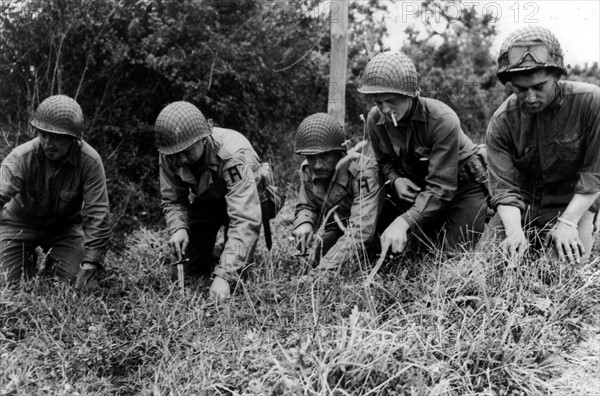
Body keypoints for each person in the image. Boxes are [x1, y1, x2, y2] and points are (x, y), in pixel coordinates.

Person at [484, 25, 600, 265]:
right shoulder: (501, 122)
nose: (531, 98)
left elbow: (594, 175)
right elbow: (504, 189)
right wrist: (514, 233)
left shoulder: (591, 103)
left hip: (572, 203)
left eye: (539, 87)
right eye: (520, 90)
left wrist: (568, 222)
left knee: (562, 277)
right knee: (483, 267)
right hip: (523, 206)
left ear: (557, 75)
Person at [357, 51, 488, 255]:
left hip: (462, 188)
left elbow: (441, 188)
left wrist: (403, 222)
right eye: (378, 101)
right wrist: (396, 180)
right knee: (399, 251)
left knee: (453, 255)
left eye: (390, 100)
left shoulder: (442, 120)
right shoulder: (375, 120)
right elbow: (384, 163)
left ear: (412, 94)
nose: (384, 109)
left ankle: (486, 214)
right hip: (421, 189)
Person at [0, 95, 110, 290]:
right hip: (19, 224)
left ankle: (52, 264)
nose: (48, 143)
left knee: (72, 281)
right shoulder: (19, 157)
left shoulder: (90, 162)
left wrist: (91, 263)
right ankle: (25, 257)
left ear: (73, 139)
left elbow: (98, 214)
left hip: (64, 229)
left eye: (57, 137)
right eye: (43, 134)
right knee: (8, 282)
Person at [155, 101, 263, 299]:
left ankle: (228, 254)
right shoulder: (169, 153)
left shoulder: (234, 155)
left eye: (186, 151)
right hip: (207, 203)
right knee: (188, 270)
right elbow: (173, 199)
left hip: (247, 203)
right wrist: (179, 228)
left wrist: (225, 274)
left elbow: (246, 218)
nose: (181, 160)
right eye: (174, 155)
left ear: (204, 139)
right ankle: (218, 251)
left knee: (237, 279)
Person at [292, 113, 381, 274]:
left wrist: (325, 269)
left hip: (376, 232)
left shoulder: (362, 172)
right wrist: (305, 222)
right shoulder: (308, 170)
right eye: (311, 158)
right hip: (339, 229)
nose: (317, 165)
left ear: (339, 152)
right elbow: (307, 206)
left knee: (324, 268)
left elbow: (361, 231)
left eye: (325, 156)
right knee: (310, 263)